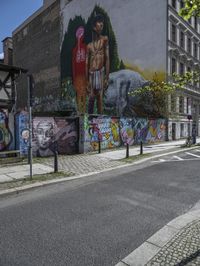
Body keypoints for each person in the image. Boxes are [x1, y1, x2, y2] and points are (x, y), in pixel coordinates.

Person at [86, 14, 110, 114]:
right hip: (91, 73)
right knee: (91, 96)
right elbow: (86, 63)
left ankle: (101, 123)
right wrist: (87, 80)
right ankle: (89, 121)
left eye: (102, 23)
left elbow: (107, 58)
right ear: (94, 26)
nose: (101, 24)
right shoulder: (89, 46)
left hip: (100, 71)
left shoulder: (105, 39)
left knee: (100, 97)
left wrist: (107, 77)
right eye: (99, 22)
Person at [72, 26, 87, 113]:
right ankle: (83, 112)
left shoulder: (74, 50)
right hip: (83, 76)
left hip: (78, 77)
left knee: (79, 95)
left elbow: (73, 66)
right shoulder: (85, 47)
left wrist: (74, 79)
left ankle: (80, 112)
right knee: (83, 95)